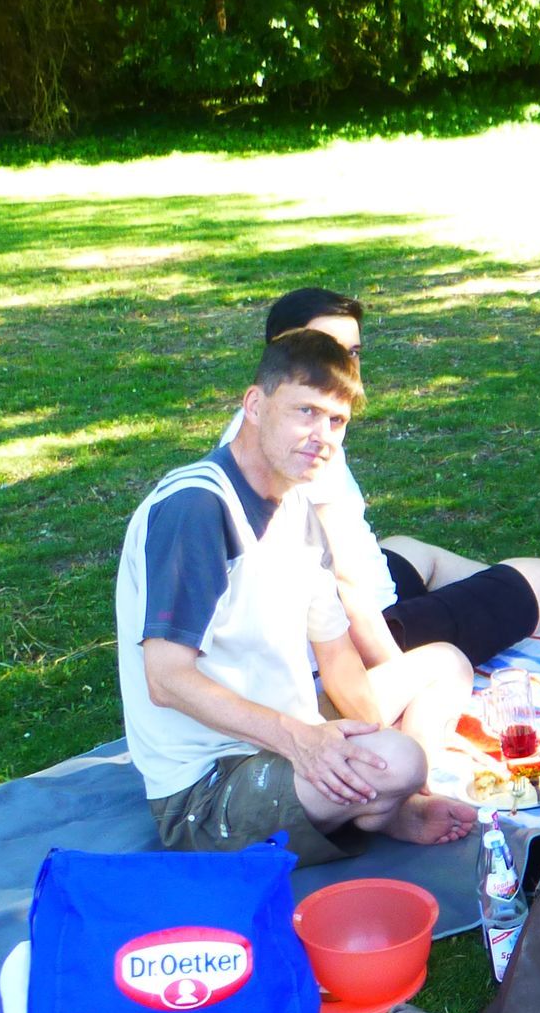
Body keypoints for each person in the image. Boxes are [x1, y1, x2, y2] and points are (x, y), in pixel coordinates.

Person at [118, 330, 476, 861]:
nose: (322, 437)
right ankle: (384, 805)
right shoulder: (197, 508)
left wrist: (363, 745)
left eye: (337, 421)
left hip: (290, 729)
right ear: (254, 405)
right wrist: (305, 742)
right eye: (305, 411)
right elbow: (166, 680)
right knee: (399, 761)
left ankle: (391, 800)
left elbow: (337, 656)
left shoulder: (298, 510)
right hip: (208, 785)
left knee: (446, 664)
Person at [227, 288, 540, 674]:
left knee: (409, 550)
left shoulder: (255, 425)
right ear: (284, 350)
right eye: (327, 348)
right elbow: (344, 582)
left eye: (353, 352)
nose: (345, 366)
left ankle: (492, 597)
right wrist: (396, 676)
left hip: (352, 608)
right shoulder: (304, 446)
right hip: (357, 637)